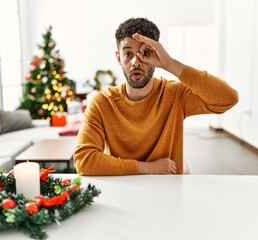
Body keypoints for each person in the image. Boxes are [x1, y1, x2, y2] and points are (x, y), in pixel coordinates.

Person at [74, 17, 238, 175]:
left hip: (169, 191)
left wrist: (170, 64)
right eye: (128, 54)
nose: (136, 62)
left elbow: (227, 99)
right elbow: (84, 160)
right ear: (119, 58)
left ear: (156, 54)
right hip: (122, 189)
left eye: (144, 53)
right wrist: (147, 168)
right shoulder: (102, 103)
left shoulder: (175, 94)